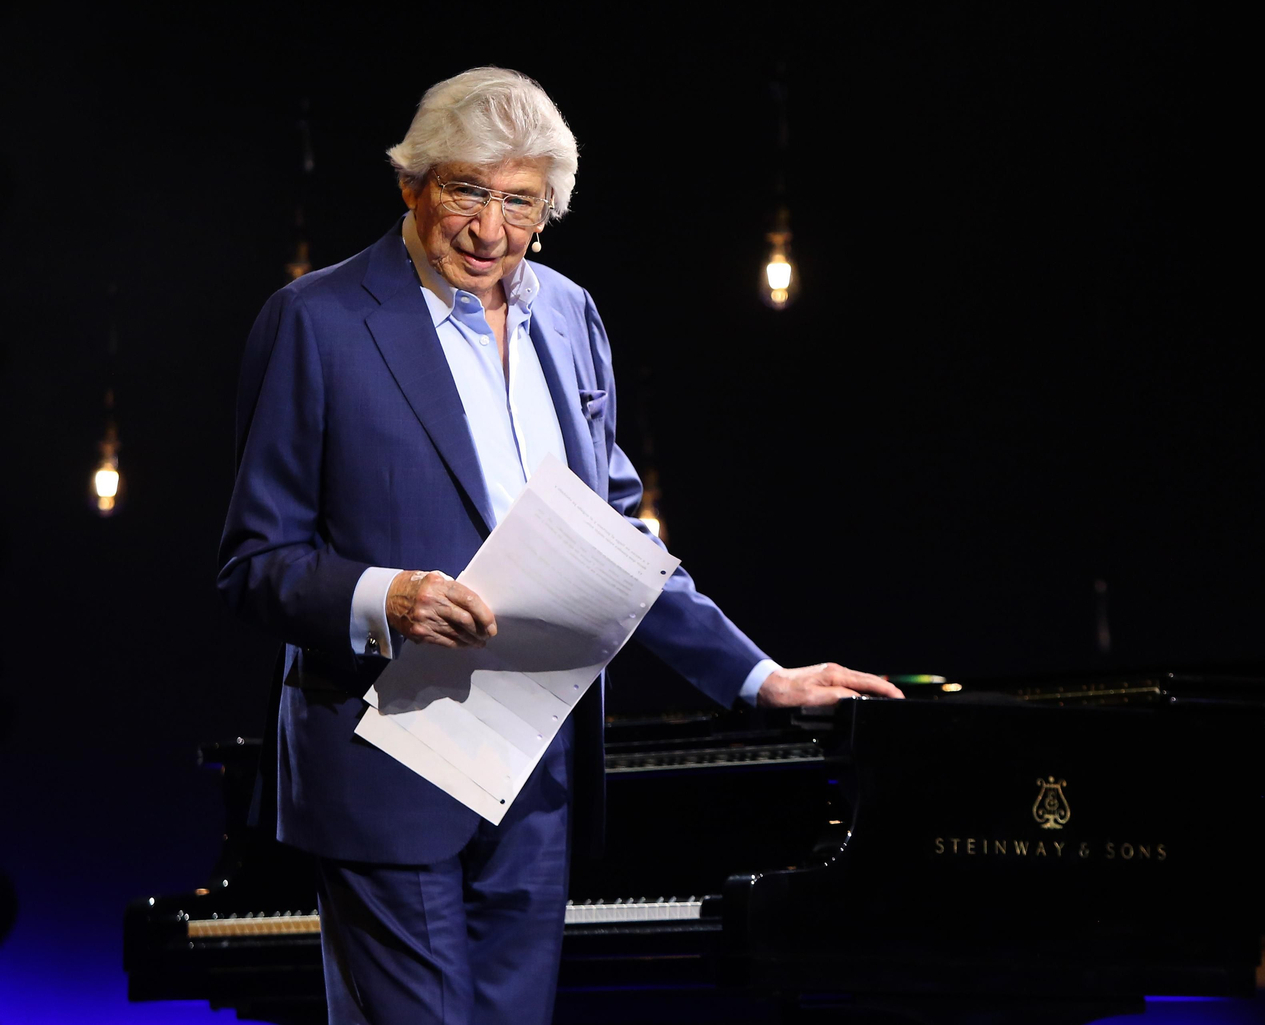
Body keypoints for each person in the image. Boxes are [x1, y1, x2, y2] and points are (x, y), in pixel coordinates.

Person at [217, 66, 902, 1025]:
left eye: (519, 203)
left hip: (535, 769)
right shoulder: (317, 323)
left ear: (547, 211)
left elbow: (617, 545)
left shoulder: (572, 317)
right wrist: (388, 597)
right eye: (467, 190)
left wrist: (759, 679)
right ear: (413, 182)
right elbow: (255, 564)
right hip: (386, 761)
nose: (490, 230)